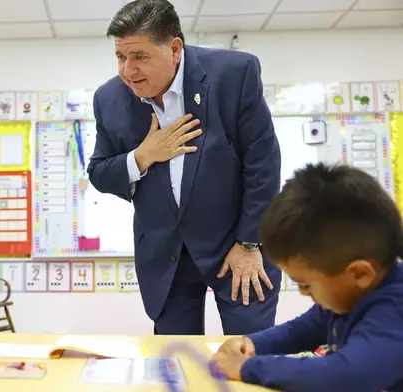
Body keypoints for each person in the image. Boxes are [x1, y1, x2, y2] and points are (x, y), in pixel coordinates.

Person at [87, 0, 282, 335]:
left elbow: (262, 164)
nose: (127, 70)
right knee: (177, 366)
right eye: (120, 57)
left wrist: (250, 244)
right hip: (167, 258)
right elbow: (99, 171)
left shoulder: (233, 75)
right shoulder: (109, 99)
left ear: (174, 48)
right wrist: (142, 156)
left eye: (140, 57)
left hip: (235, 248)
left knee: (250, 357)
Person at [211, 163, 403, 392]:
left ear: (360, 273)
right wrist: (252, 344)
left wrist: (247, 367)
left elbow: (342, 376)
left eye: (305, 284)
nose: (303, 293)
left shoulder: (394, 309)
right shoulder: (350, 295)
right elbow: (303, 330)